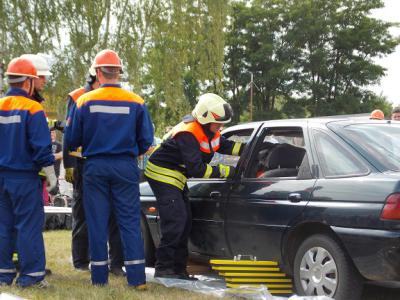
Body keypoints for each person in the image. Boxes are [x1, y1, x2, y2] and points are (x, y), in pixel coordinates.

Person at [66, 49, 153, 287]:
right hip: (125, 165)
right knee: (129, 221)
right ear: (119, 73)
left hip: (95, 166)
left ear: (97, 72)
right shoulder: (136, 101)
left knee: (96, 221)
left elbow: (72, 140)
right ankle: (137, 280)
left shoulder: (84, 100)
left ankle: (99, 280)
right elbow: (146, 140)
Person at [145, 93, 245, 280]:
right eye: (219, 123)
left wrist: (254, 149)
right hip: (162, 174)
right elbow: (197, 169)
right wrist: (225, 171)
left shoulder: (209, 132)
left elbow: (227, 146)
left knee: (185, 221)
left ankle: (179, 269)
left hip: (176, 177)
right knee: (176, 221)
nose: (221, 127)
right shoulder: (188, 134)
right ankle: (165, 269)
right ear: (205, 118)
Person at [0, 57, 57, 287]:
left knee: (3, 226)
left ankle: (3, 275)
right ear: (28, 82)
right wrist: (51, 175)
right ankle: (31, 277)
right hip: (24, 177)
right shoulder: (33, 108)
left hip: (1, 177)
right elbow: (41, 147)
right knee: (28, 227)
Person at [63, 65, 125, 275]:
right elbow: (69, 134)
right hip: (84, 165)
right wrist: (70, 165)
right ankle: (81, 261)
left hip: (110, 165)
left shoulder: (119, 95)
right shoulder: (78, 96)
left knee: (116, 215)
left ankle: (116, 263)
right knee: (84, 214)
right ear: (97, 76)